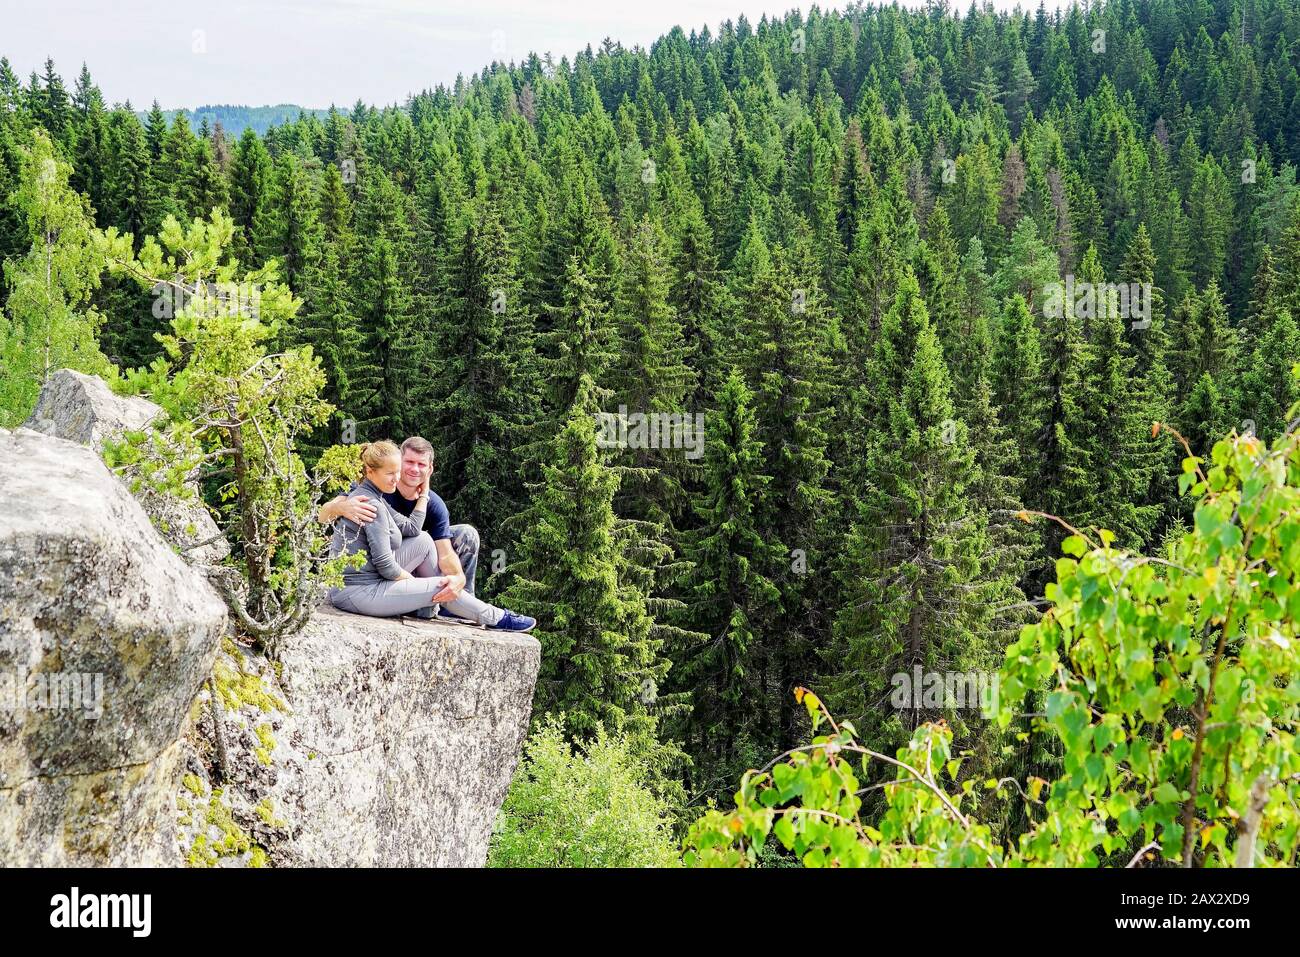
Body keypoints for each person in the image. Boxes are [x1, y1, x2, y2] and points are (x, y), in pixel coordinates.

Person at [321, 438, 535, 631]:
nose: (396, 478)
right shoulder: (367, 502)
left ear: (429, 469)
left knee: (424, 540)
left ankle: (447, 605)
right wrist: (341, 508)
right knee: (440, 587)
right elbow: (384, 564)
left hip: (374, 576)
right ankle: (496, 617)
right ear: (370, 472)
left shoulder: (379, 496)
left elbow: (414, 530)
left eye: (398, 472)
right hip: (359, 590)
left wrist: (457, 577)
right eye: (392, 473)